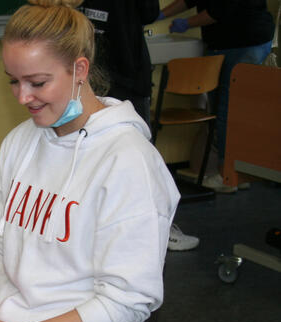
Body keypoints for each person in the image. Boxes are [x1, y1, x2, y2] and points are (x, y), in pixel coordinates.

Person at [0, 0, 180, 322]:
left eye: (37, 82)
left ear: (79, 69)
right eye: (13, 81)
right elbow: (1, 250)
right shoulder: (21, 142)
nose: (23, 97)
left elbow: (128, 300)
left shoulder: (128, 162)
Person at [77, 1, 199, 251]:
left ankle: (157, 230)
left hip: (112, 76)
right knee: (124, 158)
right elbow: (149, 12)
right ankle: (148, 232)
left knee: (133, 159)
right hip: (117, 77)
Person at [158, 0, 275, 193]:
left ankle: (227, 176)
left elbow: (218, 11)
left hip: (244, 42)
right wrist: (160, 15)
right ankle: (237, 174)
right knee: (231, 111)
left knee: (228, 111)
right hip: (239, 41)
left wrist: (187, 23)